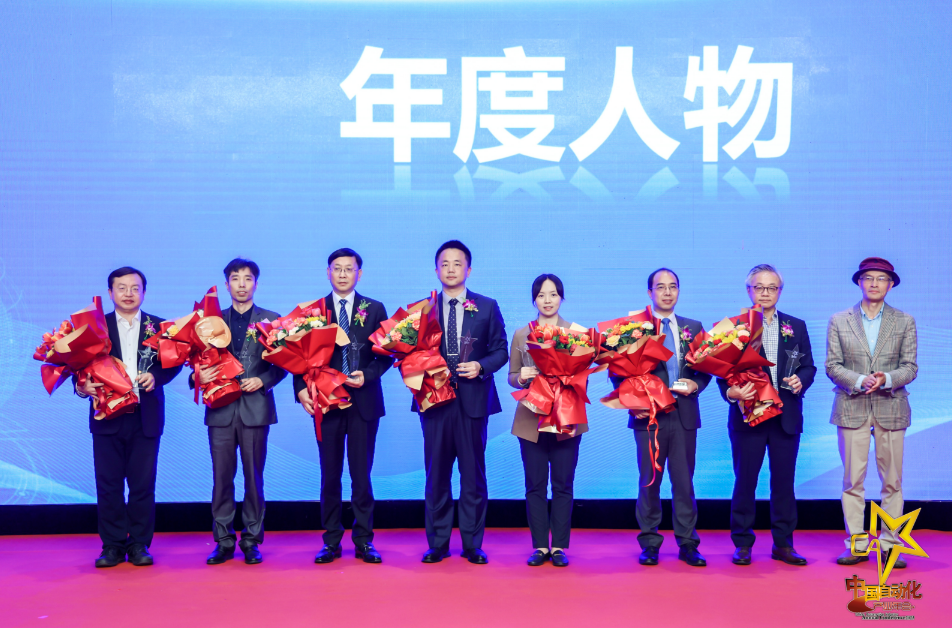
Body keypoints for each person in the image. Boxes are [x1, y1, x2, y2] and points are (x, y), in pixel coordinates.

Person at [77, 267, 182, 568]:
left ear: (144, 292)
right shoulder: (95, 328)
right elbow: (79, 367)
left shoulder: (159, 327)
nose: (128, 293)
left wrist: (156, 377)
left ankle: (138, 544)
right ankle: (111, 546)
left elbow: (174, 363)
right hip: (106, 416)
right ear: (110, 293)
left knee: (142, 485)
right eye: (121, 288)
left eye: (135, 288)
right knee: (108, 484)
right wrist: (82, 387)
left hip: (145, 416)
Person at [295, 248, 393, 564]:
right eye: (336, 268)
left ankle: (364, 540)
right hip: (327, 404)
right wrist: (300, 390)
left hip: (364, 402)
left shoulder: (374, 308)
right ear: (328, 272)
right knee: (330, 475)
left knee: (361, 476)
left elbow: (387, 354)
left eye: (348, 269)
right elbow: (297, 356)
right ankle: (331, 541)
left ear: (358, 274)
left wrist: (369, 375)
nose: (342, 274)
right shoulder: (313, 312)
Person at [719, 264, 816, 566]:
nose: (765, 293)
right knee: (745, 481)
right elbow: (721, 370)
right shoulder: (733, 328)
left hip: (786, 416)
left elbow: (809, 366)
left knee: (784, 483)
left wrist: (801, 380)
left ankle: (783, 544)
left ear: (780, 291)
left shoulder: (796, 326)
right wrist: (731, 393)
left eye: (771, 287)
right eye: (759, 287)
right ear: (749, 291)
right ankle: (742, 543)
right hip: (748, 415)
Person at [616, 268, 712, 567]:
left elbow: (707, 367)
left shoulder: (693, 327)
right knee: (649, 482)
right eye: (661, 287)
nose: (667, 292)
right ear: (650, 292)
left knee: (684, 484)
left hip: (684, 415)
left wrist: (696, 384)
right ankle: (649, 543)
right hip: (648, 417)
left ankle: (688, 544)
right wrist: (633, 400)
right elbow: (616, 370)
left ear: (679, 291)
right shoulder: (634, 328)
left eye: (673, 286)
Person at [420, 240, 508, 564]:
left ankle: (472, 544)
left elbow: (501, 350)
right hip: (435, 402)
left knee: (473, 475)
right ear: (436, 270)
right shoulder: (424, 310)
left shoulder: (487, 306)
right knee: (436, 475)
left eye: (457, 263)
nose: (451, 269)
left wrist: (481, 366)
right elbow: (409, 353)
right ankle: (438, 544)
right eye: (445, 264)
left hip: (473, 400)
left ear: (468, 269)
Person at [827, 257, 917, 568]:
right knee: (852, 481)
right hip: (851, 406)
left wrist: (886, 378)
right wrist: (858, 380)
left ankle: (891, 546)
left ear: (891, 285)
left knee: (892, 482)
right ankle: (857, 545)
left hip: (891, 407)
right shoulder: (840, 320)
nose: (875, 283)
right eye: (869, 278)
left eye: (881, 278)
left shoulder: (904, 321)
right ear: (859, 282)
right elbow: (832, 365)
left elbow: (910, 367)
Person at [197, 259, 287, 565]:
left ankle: (251, 540)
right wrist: (198, 376)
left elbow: (284, 365)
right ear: (226, 284)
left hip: (255, 409)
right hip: (220, 410)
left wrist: (262, 380)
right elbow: (195, 365)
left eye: (248, 278)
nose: (242, 284)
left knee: (253, 478)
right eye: (235, 278)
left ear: (256, 283)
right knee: (221, 478)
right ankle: (223, 541)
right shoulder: (210, 322)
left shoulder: (271, 320)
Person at [508, 274, 584, 567]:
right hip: (531, 418)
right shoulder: (521, 334)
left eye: (553, 294)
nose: (548, 300)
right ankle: (540, 546)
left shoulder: (576, 333)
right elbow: (512, 376)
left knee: (563, 484)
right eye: (541, 295)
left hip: (567, 416)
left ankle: (560, 547)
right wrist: (521, 377)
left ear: (561, 297)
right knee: (535, 485)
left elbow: (584, 375)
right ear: (534, 300)